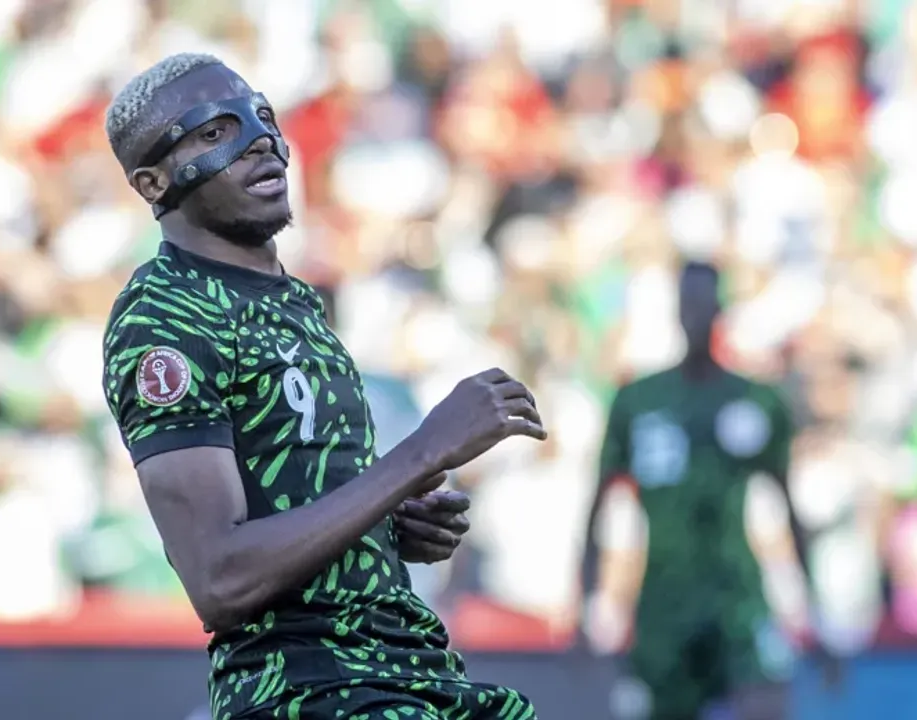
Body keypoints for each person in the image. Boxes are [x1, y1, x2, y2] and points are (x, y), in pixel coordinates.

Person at [101, 53, 546, 720]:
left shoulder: (296, 302)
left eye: (262, 117)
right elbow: (221, 579)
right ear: (153, 181)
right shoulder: (164, 319)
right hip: (311, 689)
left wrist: (389, 527)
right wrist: (423, 452)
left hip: (408, 669)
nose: (260, 141)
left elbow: (292, 507)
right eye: (215, 132)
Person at [579, 261, 840, 720]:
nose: (696, 315)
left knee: (765, 700)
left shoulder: (755, 400)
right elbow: (597, 508)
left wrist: (814, 613)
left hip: (736, 591)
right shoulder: (639, 400)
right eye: (689, 304)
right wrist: (587, 608)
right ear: (677, 310)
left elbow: (788, 506)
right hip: (664, 596)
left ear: (720, 309)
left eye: (705, 303)